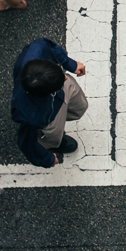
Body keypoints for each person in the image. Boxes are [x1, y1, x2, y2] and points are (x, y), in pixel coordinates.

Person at [11, 38, 87, 168]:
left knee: (80, 107)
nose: (65, 77)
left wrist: (70, 64)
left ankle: (58, 124)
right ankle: (53, 142)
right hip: (47, 114)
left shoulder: (36, 51)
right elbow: (26, 143)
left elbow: (49, 47)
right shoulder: (29, 114)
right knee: (52, 133)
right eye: (62, 79)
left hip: (54, 92)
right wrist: (47, 159)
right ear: (48, 93)